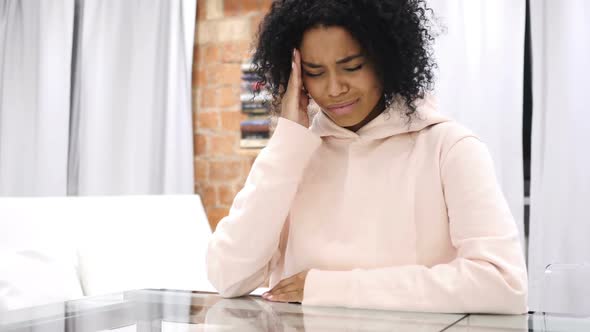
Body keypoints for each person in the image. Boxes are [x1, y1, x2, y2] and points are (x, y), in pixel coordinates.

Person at [206, 0, 528, 314]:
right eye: (315, 72)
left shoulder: (450, 147)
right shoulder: (293, 154)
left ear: (385, 59)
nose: (334, 88)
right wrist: (288, 139)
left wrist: (329, 289)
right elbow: (228, 276)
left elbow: (501, 284)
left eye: (352, 67)